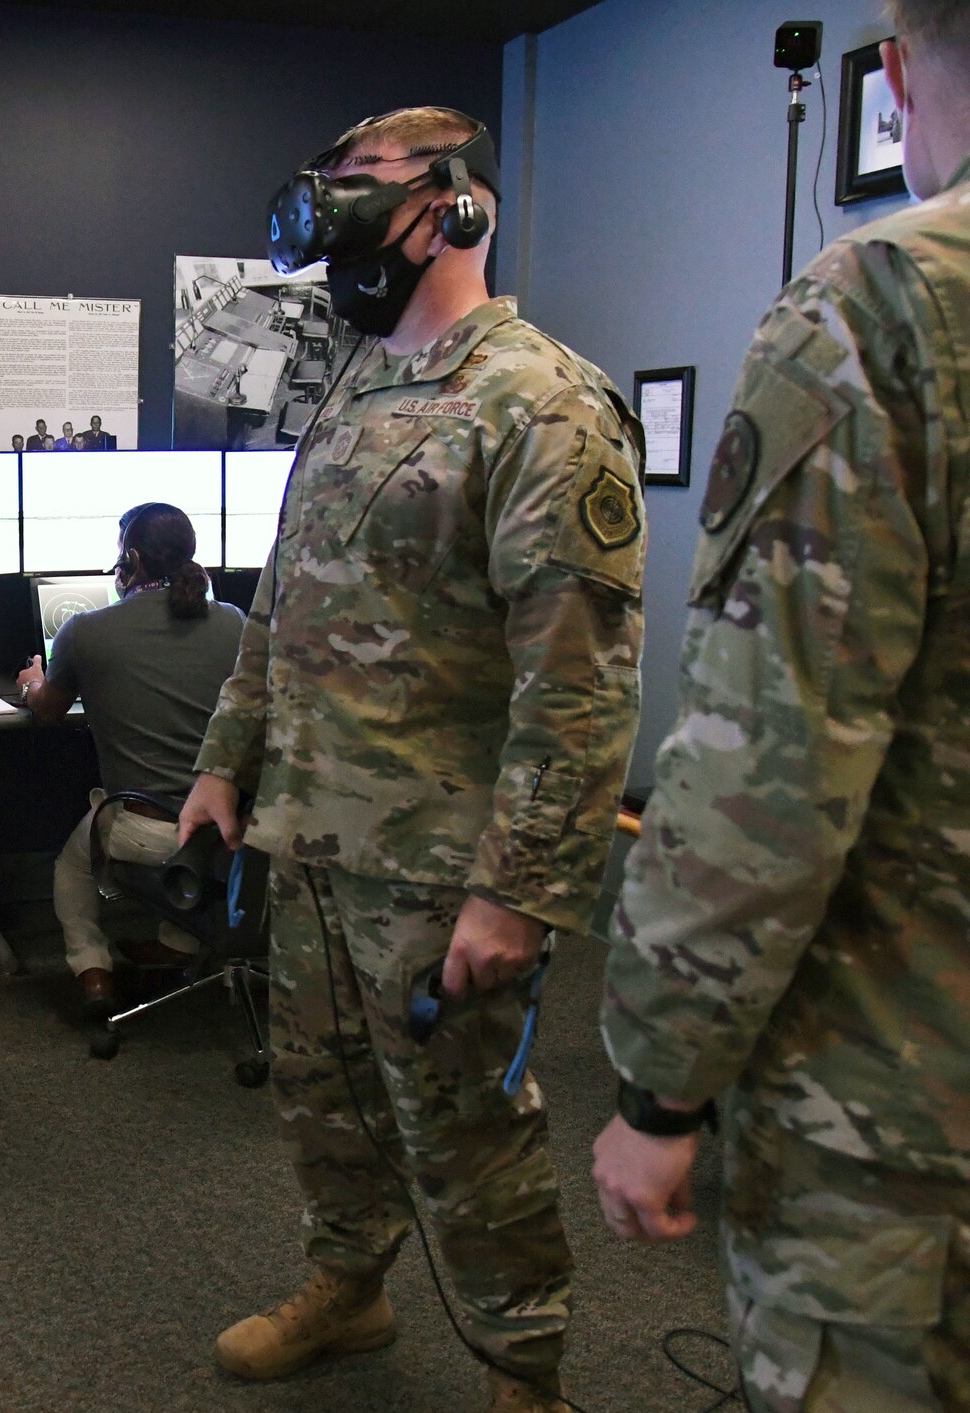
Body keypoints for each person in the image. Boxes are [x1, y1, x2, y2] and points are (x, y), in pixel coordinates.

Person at [180, 107, 645, 1412]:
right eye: (321, 194)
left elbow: (580, 686)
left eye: (357, 192)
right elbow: (281, 602)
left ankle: (524, 1370)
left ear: (460, 209)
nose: (330, 224)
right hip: (312, 839)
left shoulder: (543, 403)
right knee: (323, 1103)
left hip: (442, 867)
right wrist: (225, 764)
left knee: (467, 1132)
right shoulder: (355, 388)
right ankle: (350, 1284)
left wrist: (519, 889)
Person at [593, 11, 970, 1409]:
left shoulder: (892, 299)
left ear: (901, 74)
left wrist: (658, 1083)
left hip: (905, 1120)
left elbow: (776, 760)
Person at [16, 504, 245, 1017]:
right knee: (200, 849)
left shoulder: (86, 630)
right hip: (233, 826)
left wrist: (34, 679)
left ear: (131, 558)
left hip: (148, 831)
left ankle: (93, 971)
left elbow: (49, 710)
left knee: (71, 866)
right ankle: (178, 945)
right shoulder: (234, 622)